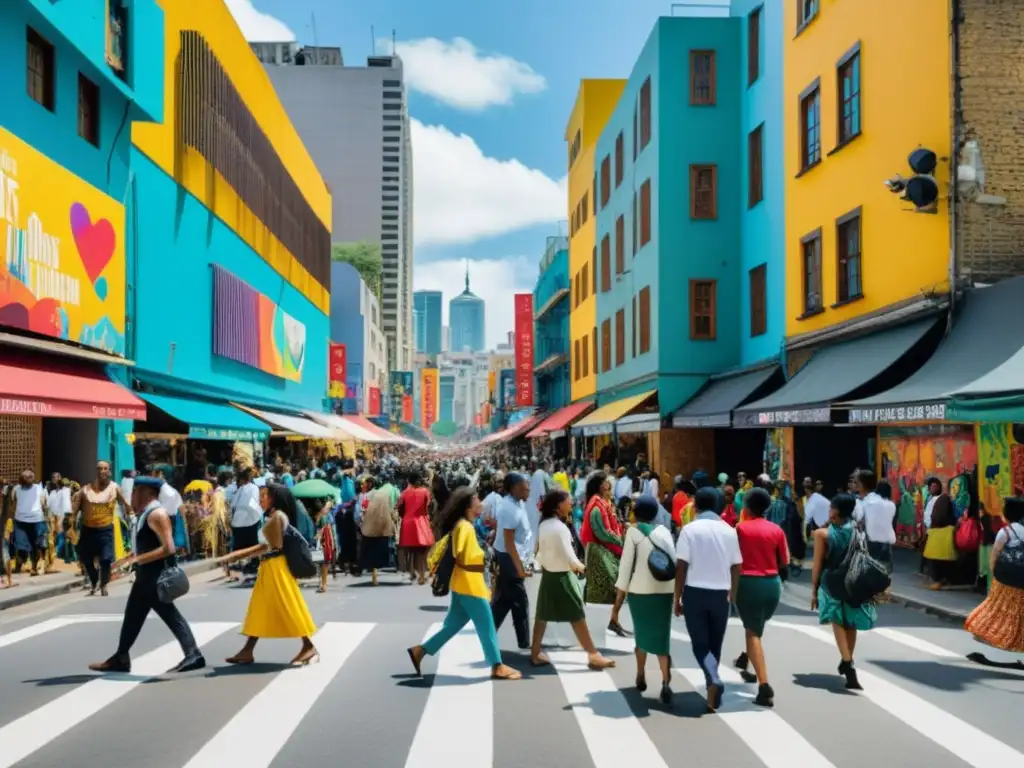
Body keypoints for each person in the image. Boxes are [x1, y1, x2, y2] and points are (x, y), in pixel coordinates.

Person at [88, 477, 204, 673]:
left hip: (155, 576)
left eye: (135, 491)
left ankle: (194, 654)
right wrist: (127, 560)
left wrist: (137, 560)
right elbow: (144, 546)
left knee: (169, 615)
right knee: (133, 615)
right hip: (145, 576)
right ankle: (121, 656)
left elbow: (169, 548)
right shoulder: (145, 514)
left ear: (146, 493)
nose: (131, 496)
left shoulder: (157, 514)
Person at [407, 487, 521, 680]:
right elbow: (460, 554)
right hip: (470, 583)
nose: (480, 501)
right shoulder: (465, 527)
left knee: (452, 625)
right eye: (476, 498)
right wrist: (484, 553)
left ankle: (420, 651)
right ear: (468, 506)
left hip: (463, 582)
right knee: (487, 626)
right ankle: (497, 665)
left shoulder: (465, 525)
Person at [223, 483, 319, 666]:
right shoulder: (272, 517)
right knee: (259, 609)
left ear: (274, 497)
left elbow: (270, 546)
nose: (261, 499)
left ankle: (308, 645)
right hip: (269, 567)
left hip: (276, 568)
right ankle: (247, 650)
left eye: (264, 495)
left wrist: (237, 555)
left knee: (288, 606)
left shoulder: (277, 517)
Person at [674, 486, 742, 713]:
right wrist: (732, 593)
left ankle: (713, 678)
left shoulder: (689, 530)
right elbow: (737, 564)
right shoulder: (729, 530)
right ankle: (712, 691)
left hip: (695, 593)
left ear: (696, 506)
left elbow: (681, 566)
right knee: (715, 644)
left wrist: (677, 597)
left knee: (700, 645)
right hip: (721, 594)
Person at [532, 489, 614, 670]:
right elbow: (570, 557)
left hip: (549, 575)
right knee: (577, 617)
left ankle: (535, 652)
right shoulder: (559, 528)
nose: (571, 504)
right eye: (568, 501)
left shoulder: (544, 524)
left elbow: (539, 552)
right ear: (558, 505)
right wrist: (582, 568)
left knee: (542, 615)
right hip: (563, 577)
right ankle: (593, 654)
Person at [810, 493, 876, 690]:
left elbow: (817, 564)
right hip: (855, 581)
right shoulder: (859, 531)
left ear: (835, 511)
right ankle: (848, 660)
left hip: (832, 581)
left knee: (837, 620)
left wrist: (813, 590)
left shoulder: (823, 534)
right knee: (851, 622)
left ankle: (847, 662)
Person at [616, 495, 675, 703]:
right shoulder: (664, 532)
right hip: (665, 591)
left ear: (635, 512)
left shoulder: (632, 532)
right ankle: (666, 682)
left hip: (639, 592)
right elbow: (674, 562)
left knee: (641, 636)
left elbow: (624, 570)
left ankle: (640, 675)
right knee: (662, 637)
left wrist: (616, 604)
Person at [732, 488, 788, 707]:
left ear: (746, 507)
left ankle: (764, 685)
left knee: (753, 632)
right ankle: (747, 657)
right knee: (755, 626)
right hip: (772, 585)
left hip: (747, 583)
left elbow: (732, 559)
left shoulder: (740, 529)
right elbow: (784, 561)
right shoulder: (777, 530)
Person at [965, 496, 1024, 662]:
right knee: (1019, 611)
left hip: (1005, 577)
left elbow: (995, 555)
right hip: (1022, 579)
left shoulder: (1005, 532)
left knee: (997, 608)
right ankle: (1018, 641)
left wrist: (994, 572)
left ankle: (990, 635)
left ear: (1007, 514)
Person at [72, 462, 131, 596]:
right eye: (99, 468)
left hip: (105, 529)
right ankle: (94, 582)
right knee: (86, 558)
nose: (102, 471)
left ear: (109, 471)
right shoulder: (86, 490)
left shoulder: (115, 488)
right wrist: (71, 525)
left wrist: (132, 515)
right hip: (88, 529)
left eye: (105, 469)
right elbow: (75, 509)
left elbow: (126, 504)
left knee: (105, 559)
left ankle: (104, 584)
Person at [491, 472, 533, 650]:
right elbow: (509, 543)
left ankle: (486, 633)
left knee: (504, 602)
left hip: (511, 557)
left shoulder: (517, 503)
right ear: (515, 488)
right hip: (508, 558)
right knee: (520, 601)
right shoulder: (509, 508)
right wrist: (520, 568)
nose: (528, 490)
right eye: (525, 487)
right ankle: (524, 643)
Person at [397, 470, 434, 584]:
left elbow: (399, 508)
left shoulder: (404, 493)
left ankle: (412, 572)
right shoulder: (424, 491)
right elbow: (428, 507)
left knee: (410, 550)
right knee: (422, 551)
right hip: (420, 522)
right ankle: (421, 576)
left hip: (407, 522)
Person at [228, 465, 263, 581]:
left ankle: (237, 569)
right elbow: (253, 504)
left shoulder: (240, 490)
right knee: (253, 546)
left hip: (238, 522)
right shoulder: (253, 488)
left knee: (239, 547)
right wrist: (259, 514)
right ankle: (253, 565)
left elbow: (233, 505)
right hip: (250, 520)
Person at [11, 470, 47, 577]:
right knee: (21, 545)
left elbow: (44, 503)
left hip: (37, 520)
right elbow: (13, 502)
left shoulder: (39, 488)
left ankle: (34, 567)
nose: (29, 478)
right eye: (26, 477)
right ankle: (19, 565)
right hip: (20, 521)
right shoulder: (16, 489)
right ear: (21, 479)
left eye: (31, 476)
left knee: (36, 545)